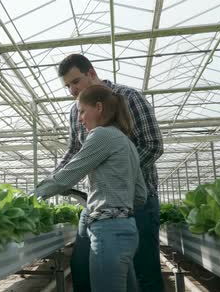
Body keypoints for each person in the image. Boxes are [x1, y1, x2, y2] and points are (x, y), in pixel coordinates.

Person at [54, 54, 164, 292]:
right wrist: (57, 177)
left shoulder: (129, 97)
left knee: (145, 273)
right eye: (67, 86)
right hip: (97, 206)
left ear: (91, 73)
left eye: (75, 81)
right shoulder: (76, 112)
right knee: (83, 268)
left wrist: (119, 173)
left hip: (139, 202)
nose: (72, 90)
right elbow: (75, 149)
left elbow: (152, 144)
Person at [34, 84, 147, 292]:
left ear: (99, 107)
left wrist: (32, 197)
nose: (80, 119)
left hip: (108, 233)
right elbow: (141, 194)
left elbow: (66, 176)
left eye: (82, 111)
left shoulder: (102, 135)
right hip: (128, 230)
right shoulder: (127, 142)